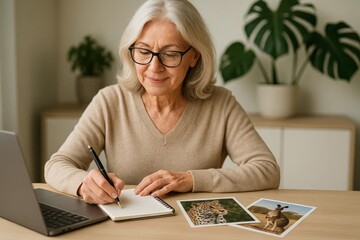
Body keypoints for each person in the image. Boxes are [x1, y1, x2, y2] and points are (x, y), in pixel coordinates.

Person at [45, 0, 280, 205]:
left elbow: (267, 170)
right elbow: (57, 165)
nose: (154, 68)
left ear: (194, 56)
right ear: (131, 51)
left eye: (170, 54)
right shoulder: (110, 101)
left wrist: (190, 179)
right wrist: (83, 183)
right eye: (144, 51)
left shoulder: (221, 104)